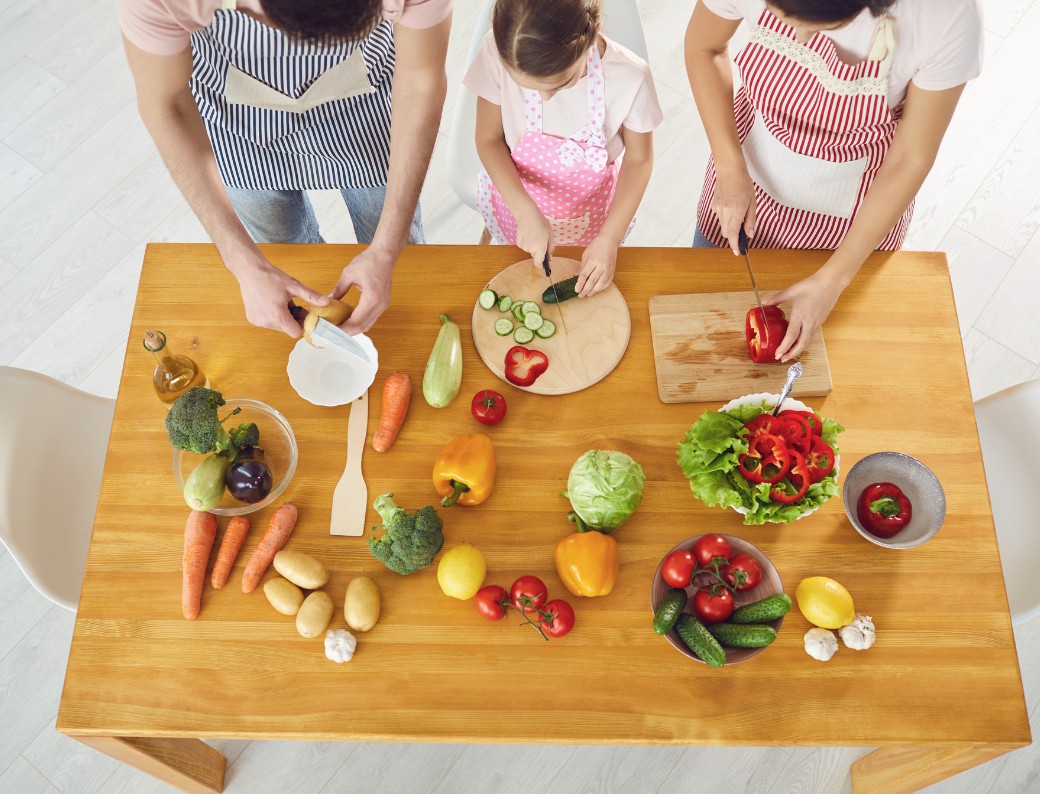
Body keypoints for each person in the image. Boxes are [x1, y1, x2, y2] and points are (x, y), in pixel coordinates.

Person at [117, 0, 452, 337]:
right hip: (237, 122)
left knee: (403, 262)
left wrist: (387, 248)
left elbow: (421, 81)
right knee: (284, 251)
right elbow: (166, 103)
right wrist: (245, 266)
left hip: (364, 101)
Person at [685, 0, 982, 358]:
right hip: (742, 178)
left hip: (854, 222)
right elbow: (705, 47)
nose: (800, 37)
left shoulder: (945, 15)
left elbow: (910, 157)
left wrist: (834, 279)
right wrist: (729, 166)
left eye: (823, 27)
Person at [464, 0, 663, 297]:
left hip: (592, 214)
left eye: (560, 84)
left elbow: (640, 159)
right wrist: (525, 211)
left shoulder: (630, 77)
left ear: (594, 33)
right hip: (515, 202)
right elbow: (488, 139)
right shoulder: (498, 50)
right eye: (530, 87)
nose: (544, 98)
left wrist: (609, 239)